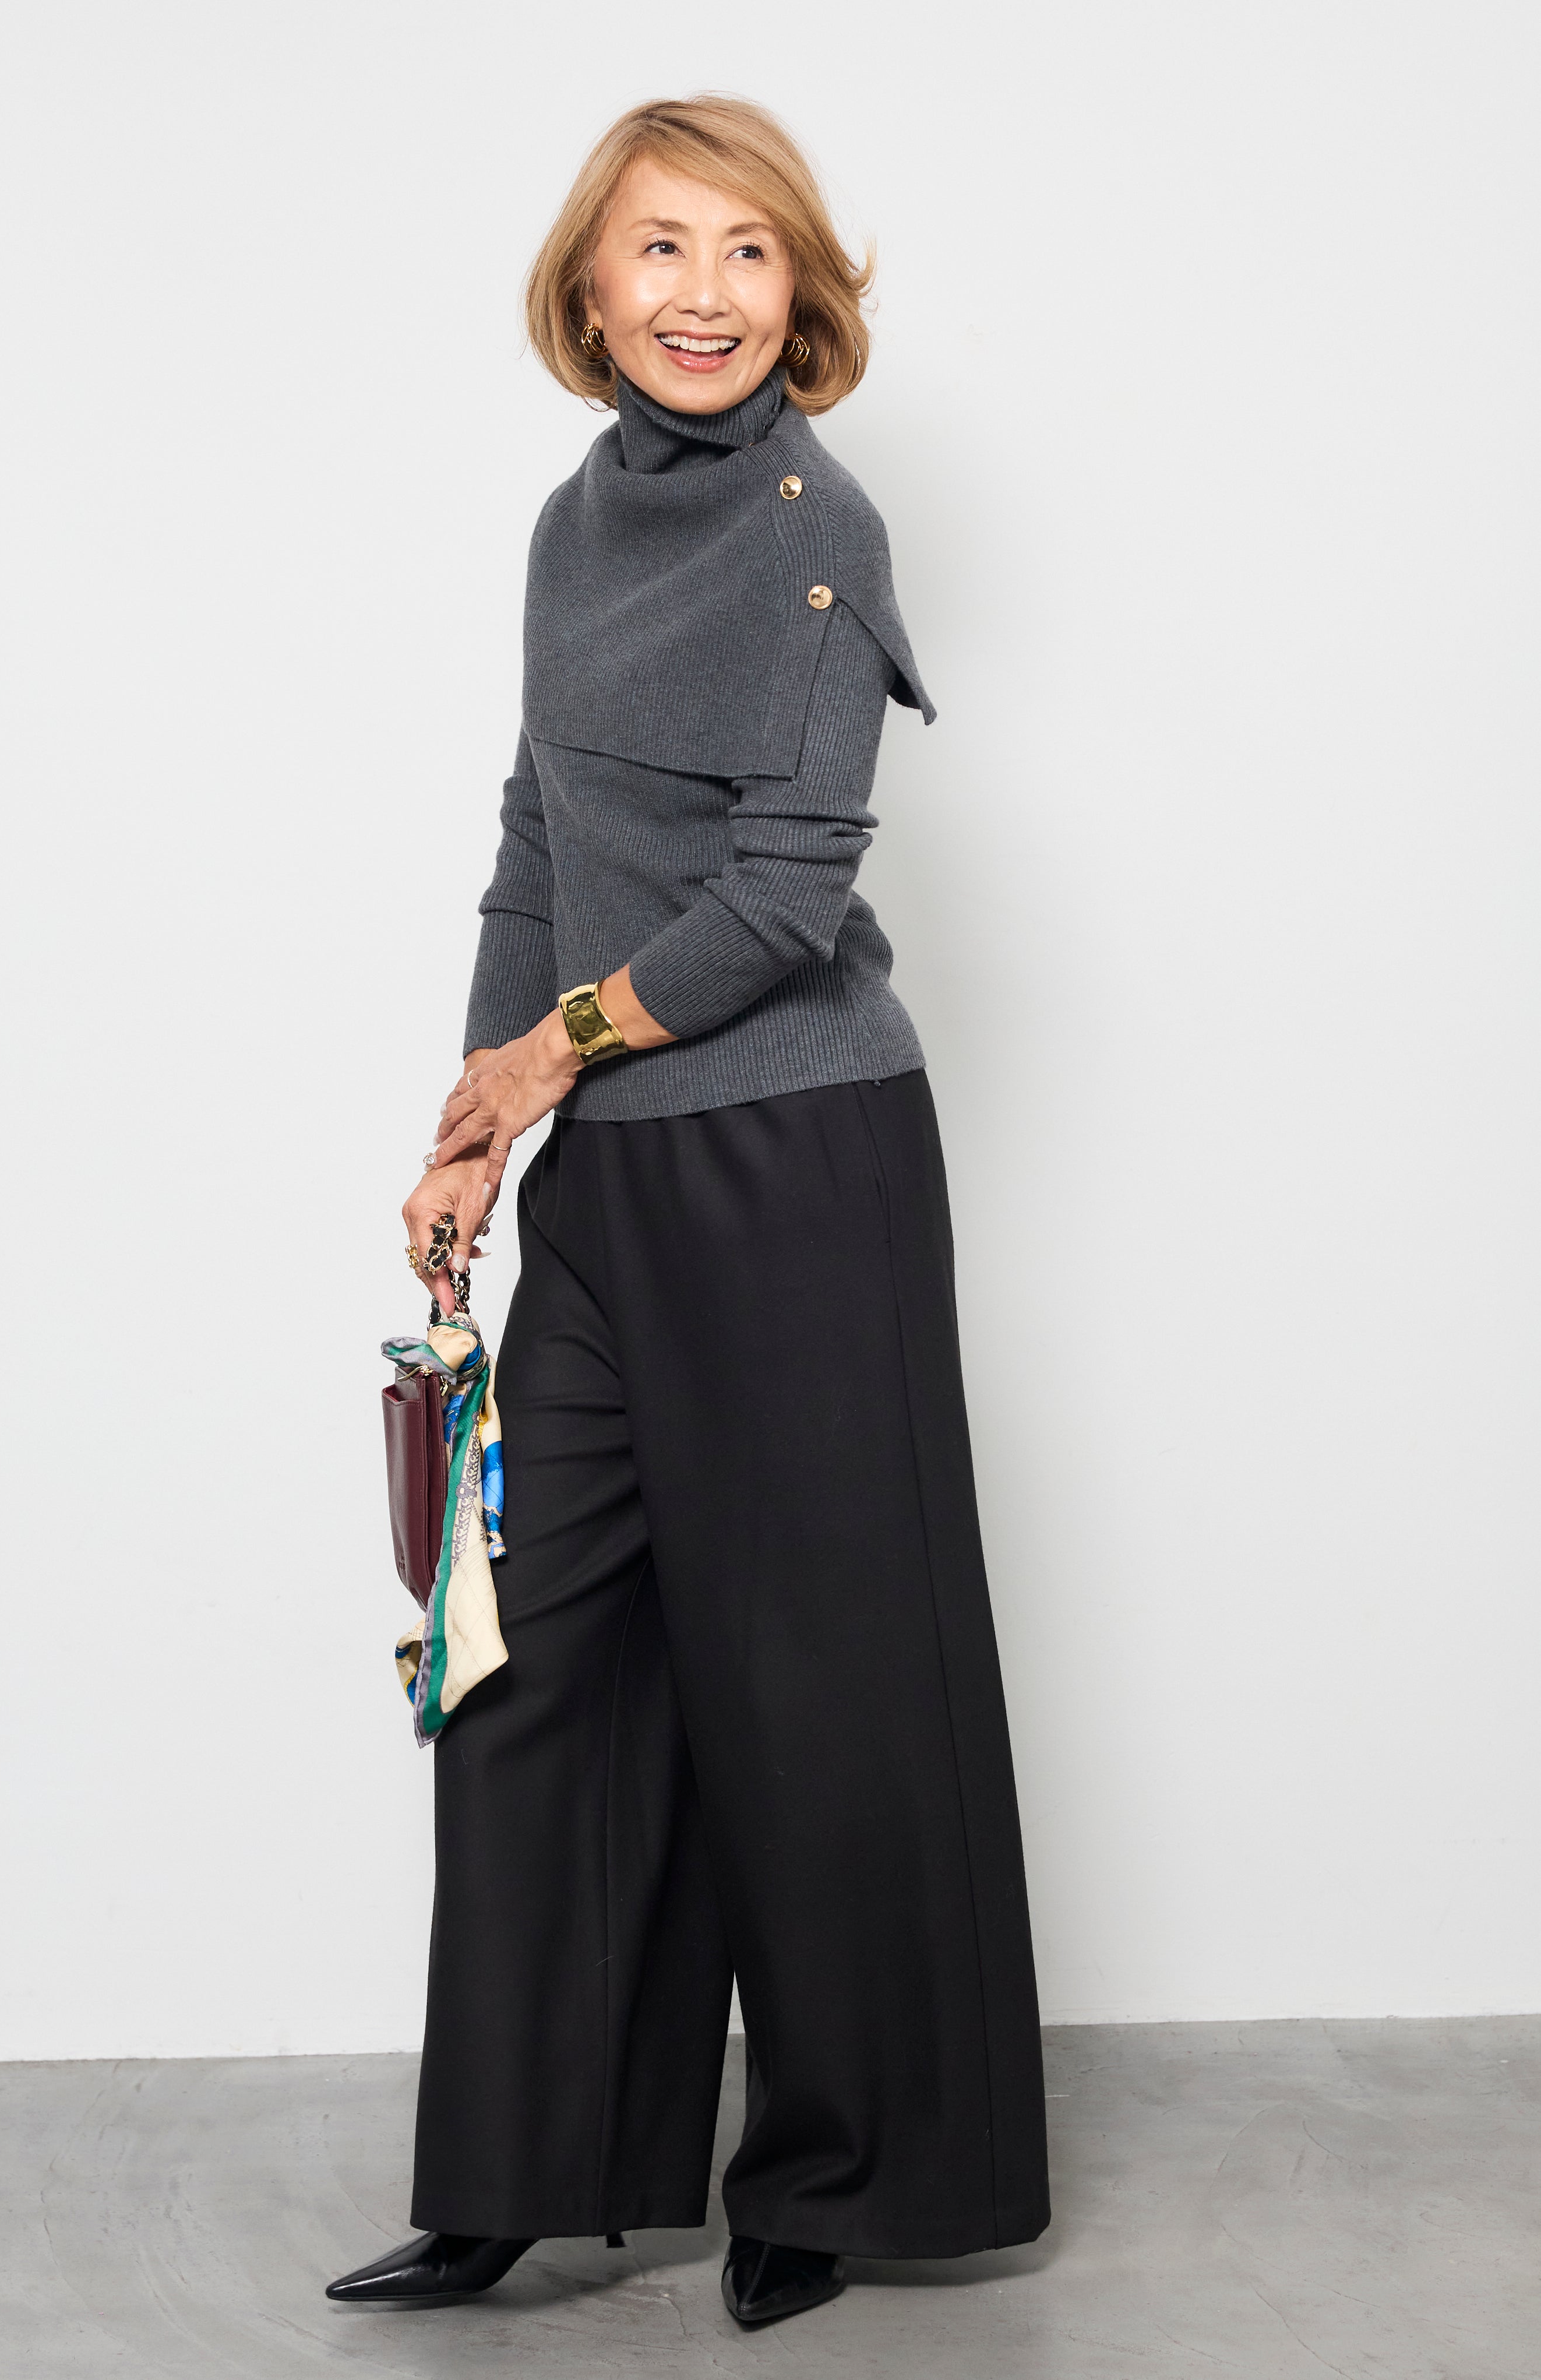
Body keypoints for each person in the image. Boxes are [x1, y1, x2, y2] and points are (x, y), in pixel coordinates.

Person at [328, 93, 1050, 2333]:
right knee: (527, 1661)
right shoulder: (573, 524)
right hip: (612, 1178)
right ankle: (520, 2167)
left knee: (813, 1683)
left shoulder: (820, 536)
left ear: (800, 291)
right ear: (591, 282)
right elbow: (537, 835)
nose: (704, 293)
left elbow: (782, 895)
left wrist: (553, 1055)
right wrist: (475, 1124)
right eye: (661, 247)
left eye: (749, 251)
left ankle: (835, 2174)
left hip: (798, 1161)